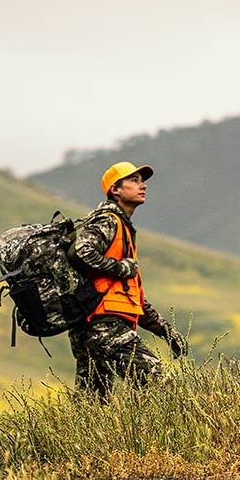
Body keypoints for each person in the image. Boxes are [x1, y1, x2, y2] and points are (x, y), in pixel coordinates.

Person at [67, 161, 187, 395]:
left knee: (92, 407)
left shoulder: (123, 227)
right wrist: (121, 268)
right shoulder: (108, 220)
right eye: (134, 180)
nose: (142, 186)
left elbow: (134, 300)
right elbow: (82, 250)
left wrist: (166, 332)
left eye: (142, 181)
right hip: (103, 325)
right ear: (115, 190)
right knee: (161, 386)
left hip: (91, 327)